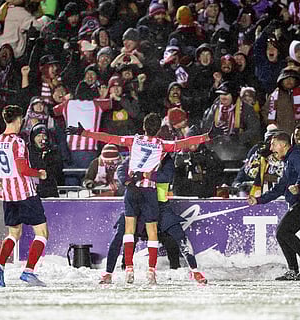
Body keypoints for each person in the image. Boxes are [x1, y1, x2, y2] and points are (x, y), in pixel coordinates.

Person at [65, 113, 213, 285]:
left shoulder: (135, 143)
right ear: (159, 131)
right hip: (148, 195)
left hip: (152, 202)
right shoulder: (162, 147)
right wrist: (208, 136)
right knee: (127, 235)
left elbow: (110, 138)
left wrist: (85, 133)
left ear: (143, 127)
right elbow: (185, 143)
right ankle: (124, 271)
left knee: (151, 233)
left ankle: (189, 270)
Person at [0, 105, 49, 287]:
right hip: (25, 193)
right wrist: (39, 173)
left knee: (13, 233)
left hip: (8, 195)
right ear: (18, 120)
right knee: (41, 233)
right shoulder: (17, 142)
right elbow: (22, 169)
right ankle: (28, 272)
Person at [247, 132, 300, 280]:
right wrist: (258, 200)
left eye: (273, 144)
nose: (271, 148)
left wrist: (298, 186)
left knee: (283, 232)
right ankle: (293, 269)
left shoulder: (295, 157)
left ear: (283, 145)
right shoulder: (288, 160)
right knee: (282, 233)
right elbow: (279, 188)